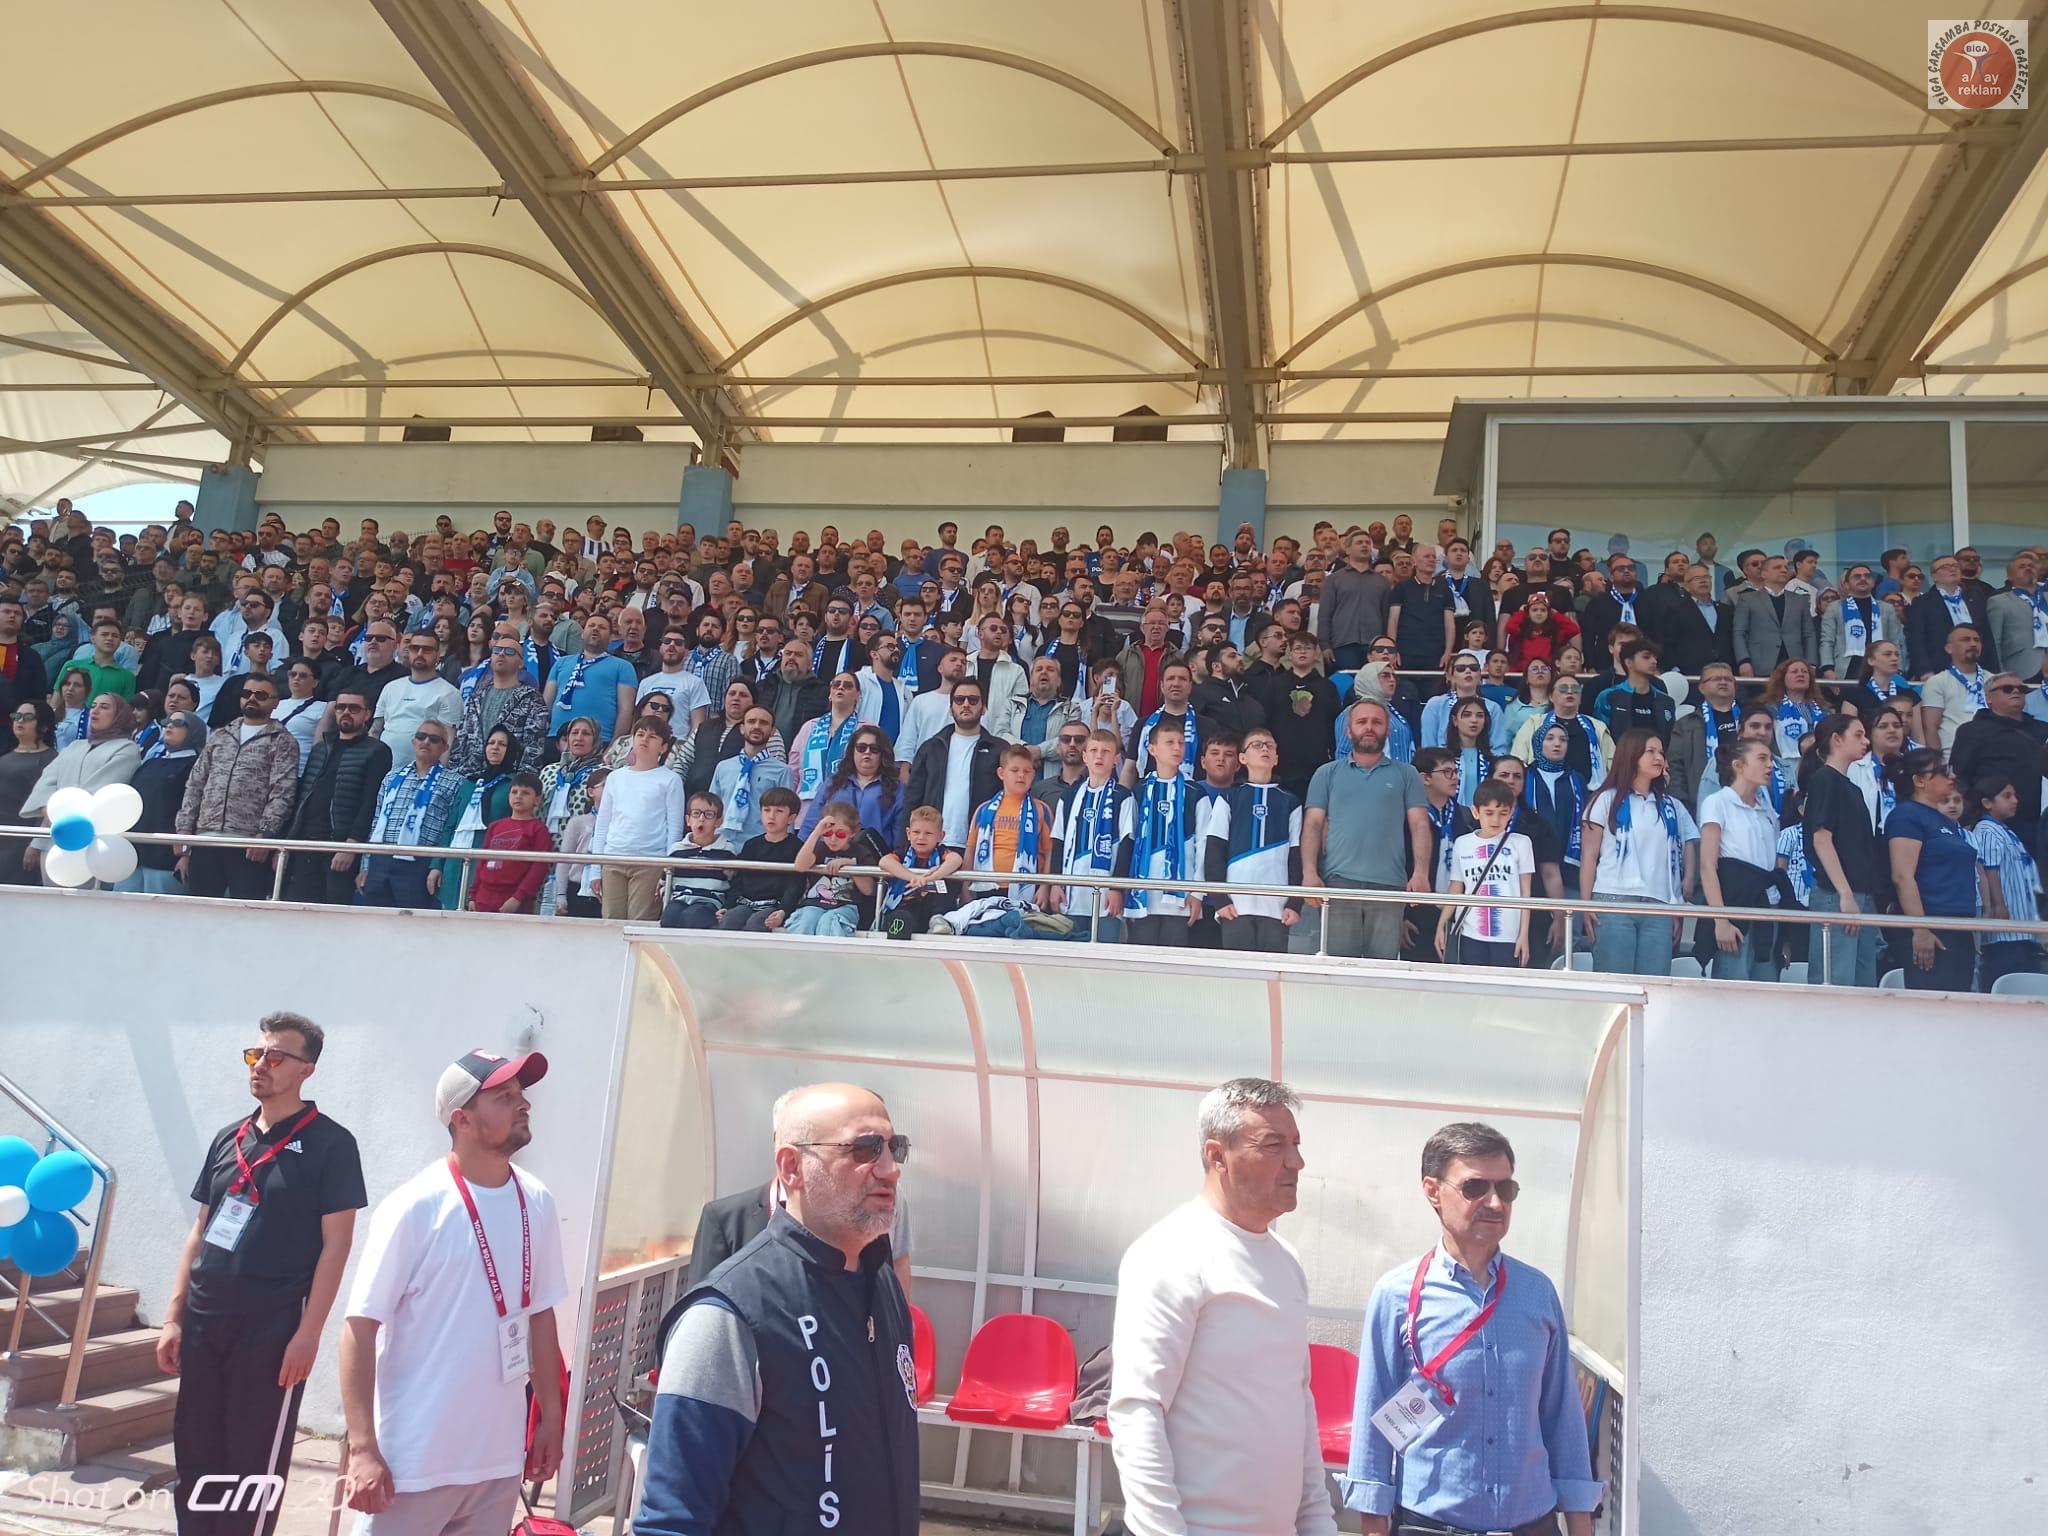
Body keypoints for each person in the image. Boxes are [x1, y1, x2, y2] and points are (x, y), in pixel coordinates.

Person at [637, 1084, 917, 1536]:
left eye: (893, 1147)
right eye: (865, 1149)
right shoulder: (728, 1315)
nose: (890, 1169)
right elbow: (673, 1520)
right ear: (792, 1167)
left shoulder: (881, 1283)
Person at [340, 1050, 565, 1535]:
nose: (523, 1104)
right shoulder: (414, 1207)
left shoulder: (537, 1200)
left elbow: (540, 1316)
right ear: (461, 1119)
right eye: (503, 1097)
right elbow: (359, 1327)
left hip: (497, 1463)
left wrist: (550, 1415)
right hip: (413, 1465)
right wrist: (363, 1448)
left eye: (521, 1093)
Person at [159, 1013, 364, 1536]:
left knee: (249, 1466)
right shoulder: (228, 1138)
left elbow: (337, 1246)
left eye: (275, 1057)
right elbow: (200, 1230)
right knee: (196, 1457)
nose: (260, 1065)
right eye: (255, 1055)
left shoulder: (332, 1145)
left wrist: (308, 1335)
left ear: (306, 1070)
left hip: (272, 1329)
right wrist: (174, 1316)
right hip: (205, 1323)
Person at [1343, 1122, 1601, 1536]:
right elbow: (1374, 1432)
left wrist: (1580, 1526)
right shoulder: (1396, 1297)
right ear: (1433, 1190)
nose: (1495, 1202)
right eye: (1475, 1187)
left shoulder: (1537, 1293)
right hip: (1429, 1526)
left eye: (1506, 1189)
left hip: (1532, 1525)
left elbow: (1563, 1420)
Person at [1110, 1078, 1335, 1536]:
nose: (1296, 1162)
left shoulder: (1285, 1261)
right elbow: (1138, 1408)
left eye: (1295, 1144)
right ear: (1217, 1156)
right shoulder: (1171, 1253)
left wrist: (1317, 1522)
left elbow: (1298, 1403)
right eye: (1273, 1145)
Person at [1303, 698, 1432, 961]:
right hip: (1338, 884)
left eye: (1377, 722)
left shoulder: (1407, 774)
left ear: (1388, 729)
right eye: (1362, 722)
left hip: (1389, 885)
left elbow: (1419, 825)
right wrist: (1309, 873)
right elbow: (1313, 825)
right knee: (1339, 969)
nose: (1369, 727)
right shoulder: (1326, 774)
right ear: (1349, 730)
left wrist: (1421, 873)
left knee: (1382, 971)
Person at [1579, 729, 1699, 977]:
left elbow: (1683, 848)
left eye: (1661, 752)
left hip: (1660, 906)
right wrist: (1586, 903)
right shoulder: (1605, 799)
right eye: (1650, 751)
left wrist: (1677, 908)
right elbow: (1589, 856)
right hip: (1614, 902)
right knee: (1616, 984)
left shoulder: (1672, 806)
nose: (1659, 758)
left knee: (1654, 987)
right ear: (1631, 755)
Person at [171, 674, 299, 900]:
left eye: (261, 695)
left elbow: (282, 791)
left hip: (247, 843)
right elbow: (196, 783)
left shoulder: (282, 740)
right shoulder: (220, 735)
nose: (252, 699)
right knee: (200, 910)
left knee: (246, 912)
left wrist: (265, 835)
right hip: (205, 838)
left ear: (275, 702)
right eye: (247, 693)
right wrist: (183, 829)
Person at [284, 688, 393, 905]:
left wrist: (350, 846)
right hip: (305, 843)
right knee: (297, 911)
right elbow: (303, 796)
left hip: (340, 846)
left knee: (335, 911)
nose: (346, 712)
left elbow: (370, 802)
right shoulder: (320, 747)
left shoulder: (377, 751)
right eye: (341, 707)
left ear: (367, 714)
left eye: (354, 708)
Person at [1202, 728, 1304, 953]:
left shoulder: (1291, 802)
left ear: (1276, 758)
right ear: (1242, 758)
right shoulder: (1228, 798)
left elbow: (1297, 856)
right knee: (1238, 970)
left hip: (1277, 907)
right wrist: (1220, 900)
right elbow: (1214, 851)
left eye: (1270, 745)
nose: (1264, 748)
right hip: (1236, 905)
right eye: (1257, 745)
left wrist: (1295, 903)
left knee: (1272, 970)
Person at [1886, 748, 1980, 992]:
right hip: (1933, 922)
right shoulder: (1907, 815)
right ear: (1920, 781)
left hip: (1960, 924)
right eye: (1942, 771)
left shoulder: (1944, 820)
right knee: (1933, 1002)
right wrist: (1921, 929)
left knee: (1959, 1001)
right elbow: (1902, 875)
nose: (1951, 777)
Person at [1800, 715, 1884, 989]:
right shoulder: (1825, 780)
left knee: (1862, 981)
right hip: (1837, 893)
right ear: (1837, 739)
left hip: (1860, 892)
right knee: (1836, 980)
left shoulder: (1852, 788)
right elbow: (1821, 838)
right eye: (1858, 735)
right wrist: (1845, 894)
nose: (1866, 741)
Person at [1696, 737, 1787, 982]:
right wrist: (1721, 920)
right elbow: (1707, 865)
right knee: (1732, 986)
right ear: (1739, 765)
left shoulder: (1767, 810)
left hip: (1768, 906)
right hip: (1735, 904)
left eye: (1770, 759)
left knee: (1767, 986)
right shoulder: (1718, 802)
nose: (1770, 765)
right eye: (1762, 759)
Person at [591, 713, 688, 920]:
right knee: (611, 920)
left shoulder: (670, 780)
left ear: (663, 747)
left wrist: (667, 869)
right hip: (613, 857)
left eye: (652, 737)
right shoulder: (615, 777)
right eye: (640, 734)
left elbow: (674, 829)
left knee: (640, 922)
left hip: (650, 861)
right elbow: (602, 824)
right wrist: (595, 869)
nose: (644, 740)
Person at [359, 718, 464, 909]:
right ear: (413, 741)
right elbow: (375, 821)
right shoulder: (392, 776)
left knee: (411, 922)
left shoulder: (455, 782)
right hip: (380, 859)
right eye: (421, 736)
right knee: (374, 921)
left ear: (445, 747)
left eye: (434, 739)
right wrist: (365, 865)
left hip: (420, 862)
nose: (426, 742)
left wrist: (437, 865)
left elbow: (451, 830)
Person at [1436, 780, 1534, 967]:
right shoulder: (1462, 843)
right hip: (1470, 932)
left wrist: (1523, 935)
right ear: (1475, 812)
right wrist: (1442, 925)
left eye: (1503, 813)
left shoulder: (1521, 843)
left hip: (1509, 935)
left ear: (1511, 813)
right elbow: (1456, 887)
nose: (1495, 820)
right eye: (1489, 813)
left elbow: (1525, 893)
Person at [1949, 672, 2048, 850]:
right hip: (1995, 823)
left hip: (2040, 820)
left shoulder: (2043, 729)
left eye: (2021, 689)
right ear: (1989, 698)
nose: (2016, 692)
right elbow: (1960, 777)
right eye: (2007, 689)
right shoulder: (1972, 731)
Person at [1966, 773, 2043, 989]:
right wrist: (1998, 905)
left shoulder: (2003, 830)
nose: (2015, 800)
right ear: (1987, 803)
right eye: (2007, 796)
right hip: (2005, 932)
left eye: (2015, 795)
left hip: (2022, 927)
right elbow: (1990, 868)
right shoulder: (1986, 830)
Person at [449, 631, 549, 776]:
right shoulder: (476, 696)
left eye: (510, 652)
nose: (501, 654)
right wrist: (454, 774)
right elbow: (461, 738)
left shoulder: (532, 698)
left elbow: (534, 747)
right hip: (471, 775)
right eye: (497, 650)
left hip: (508, 778)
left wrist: (521, 781)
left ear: (521, 663)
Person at [719, 785, 807, 931]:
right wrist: (728, 905)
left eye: (779, 811)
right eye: (767, 810)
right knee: (729, 920)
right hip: (745, 903)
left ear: (792, 817)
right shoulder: (751, 845)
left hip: (773, 906)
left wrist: (784, 910)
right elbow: (738, 880)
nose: (771, 816)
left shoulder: (797, 847)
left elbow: (796, 885)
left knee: (756, 924)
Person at [466, 770, 553, 914]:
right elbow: (482, 861)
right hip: (483, 897)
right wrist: (473, 895)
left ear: (537, 800)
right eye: (514, 792)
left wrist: (518, 897)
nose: (518, 796)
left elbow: (539, 867)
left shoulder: (538, 830)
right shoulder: (495, 826)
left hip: (515, 901)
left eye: (525, 793)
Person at [784, 801, 876, 935]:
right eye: (827, 834)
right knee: (806, 920)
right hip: (813, 903)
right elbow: (800, 866)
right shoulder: (819, 848)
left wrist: (851, 866)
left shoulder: (861, 852)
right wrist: (817, 832)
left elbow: (868, 890)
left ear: (852, 833)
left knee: (830, 921)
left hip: (846, 906)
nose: (833, 839)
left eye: (840, 834)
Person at [544, 613, 637, 742]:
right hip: (556, 738)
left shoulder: (623, 666)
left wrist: (614, 745)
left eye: (602, 627)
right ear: (582, 633)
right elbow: (546, 704)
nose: (595, 629)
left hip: (599, 740)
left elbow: (626, 711)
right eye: (591, 625)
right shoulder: (561, 662)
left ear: (611, 637)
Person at [1905, 553, 1999, 678]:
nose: (1952, 569)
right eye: (1945, 567)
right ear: (1934, 576)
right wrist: (1924, 671)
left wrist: (1994, 672)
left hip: (1978, 670)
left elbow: (1987, 638)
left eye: (1955, 566)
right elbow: (1916, 639)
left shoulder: (1976, 600)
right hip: (1940, 671)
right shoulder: (1922, 603)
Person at [660, 792, 738, 929]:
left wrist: (727, 907)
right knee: (669, 916)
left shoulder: (727, 850)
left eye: (709, 815)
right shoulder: (677, 849)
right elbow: (665, 881)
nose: (701, 819)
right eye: (696, 814)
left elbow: (735, 884)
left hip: (709, 903)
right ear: (688, 819)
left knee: (692, 916)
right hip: (680, 899)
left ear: (718, 821)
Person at [1, 699, 58, 885]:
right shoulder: (5, 755)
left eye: (28, 717)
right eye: (17, 716)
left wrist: (36, 844)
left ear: (44, 726)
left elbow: (48, 807)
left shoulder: (52, 759)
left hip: (23, 839)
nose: (20, 721)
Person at [1733, 554, 1819, 674]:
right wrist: (1744, 661)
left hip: (1794, 666)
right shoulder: (1747, 599)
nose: (1783, 570)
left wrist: (1811, 664)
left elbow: (1809, 634)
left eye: (1785, 567)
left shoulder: (1800, 600)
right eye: (1777, 567)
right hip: (1760, 666)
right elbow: (1739, 633)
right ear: (1764, 574)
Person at [1915, 623, 1992, 758]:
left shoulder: (1994, 680)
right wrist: (1937, 763)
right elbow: (1931, 728)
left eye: (1977, 640)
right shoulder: (1937, 681)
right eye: (1965, 640)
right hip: (1953, 755)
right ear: (1949, 648)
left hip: (1992, 752)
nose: (1973, 644)